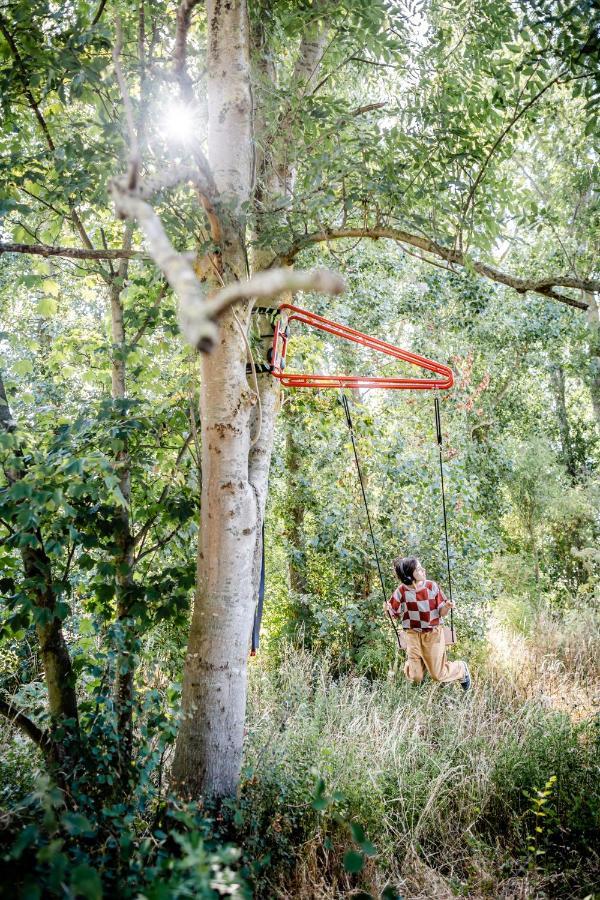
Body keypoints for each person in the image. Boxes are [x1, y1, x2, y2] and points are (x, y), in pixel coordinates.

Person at [386, 555, 471, 691]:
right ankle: (416, 664)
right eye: (419, 569)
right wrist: (388, 609)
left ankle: (461, 668)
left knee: (438, 675)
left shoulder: (431, 586)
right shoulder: (401, 590)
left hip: (433, 633)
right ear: (409, 576)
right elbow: (394, 613)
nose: (423, 570)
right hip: (412, 634)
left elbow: (442, 612)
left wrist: (447, 606)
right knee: (415, 677)